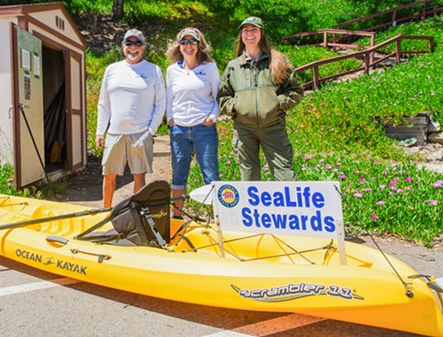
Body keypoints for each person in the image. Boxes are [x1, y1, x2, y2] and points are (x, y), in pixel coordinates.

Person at [217, 16, 304, 181]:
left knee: (285, 176)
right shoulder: (233, 66)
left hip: (273, 128)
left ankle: (288, 208)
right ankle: (254, 208)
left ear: (261, 33)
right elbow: (223, 96)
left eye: (254, 30)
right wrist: (236, 107)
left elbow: (296, 90)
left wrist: (278, 103)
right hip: (244, 131)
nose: (249, 34)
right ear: (241, 35)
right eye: (245, 30)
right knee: (249, 179)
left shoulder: (278, 61)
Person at [96, 29, 166, 208]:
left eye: (137, 43)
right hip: (115, 133)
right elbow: (104, 103)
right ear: (123, 47)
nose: (132, 48)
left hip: (141, 133)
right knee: (109, 174)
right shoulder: (112, 69)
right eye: (129, 43)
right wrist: (99, 131)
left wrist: (151, 131)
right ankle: (105, 212)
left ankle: (137, 215)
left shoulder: (153, 70)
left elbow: (161, 103)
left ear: (143, 47)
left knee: (139, 175)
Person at [165, 27, 220, 218]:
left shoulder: (210, 68)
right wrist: (170, 119)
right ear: (179, 46)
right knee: (179, 174)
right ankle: (177, 218)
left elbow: (218, 96)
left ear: (199, 45)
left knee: (210, 173)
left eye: (192, 42)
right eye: (184, 42)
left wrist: (212, 117)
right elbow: (169, 98)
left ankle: (217, 219)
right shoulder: (172, 71)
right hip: (179, 129)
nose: (188, 46)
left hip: (203, 128)